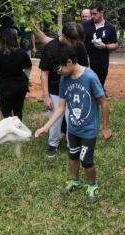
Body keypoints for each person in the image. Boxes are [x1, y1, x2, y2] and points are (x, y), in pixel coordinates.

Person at [35, 42, 111, 203]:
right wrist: (45, 127)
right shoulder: (64, 80)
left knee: (87, 161)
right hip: (73, 129)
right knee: (73, 156)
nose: (58, 72)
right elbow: (61, 107)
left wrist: (106, 128)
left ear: (69, 61)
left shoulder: (90, 77)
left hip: (89, 130)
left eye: (59, 68)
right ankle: (75, 180)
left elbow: (103, 102)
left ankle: (92, 185)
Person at [36, 22, 89, 158]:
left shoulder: (79, 45)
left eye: (77, 40)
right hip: (54, 90)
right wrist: (46, 96)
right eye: (72, 40)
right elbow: (44, 74)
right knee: (55, 118)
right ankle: (53, 144)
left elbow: (85, 69)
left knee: (73, 118)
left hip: (74, 90)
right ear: (64, 36)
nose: (75, 44)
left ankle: (73, 144)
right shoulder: (51, 48)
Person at [0, 28, 32, 120]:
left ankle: (10, 132)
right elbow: (29, 66)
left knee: (6, 114)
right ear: (15, 38)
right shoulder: (22, 53)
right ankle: (19, 131)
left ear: (2, 40)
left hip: (5, 88)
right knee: (18, 111)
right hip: (20, 86)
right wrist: (26, 77)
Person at [83, 1, 119, 98]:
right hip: (87, 61)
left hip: (102, 61)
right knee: (87, 83)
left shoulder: (110, 28)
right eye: (91, 14)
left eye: (95, 14)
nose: (92, 16)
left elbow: (115, 44)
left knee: (100, 82)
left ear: (101, 13)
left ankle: (101, 92)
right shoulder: (85, 25)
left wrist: (105, 46)